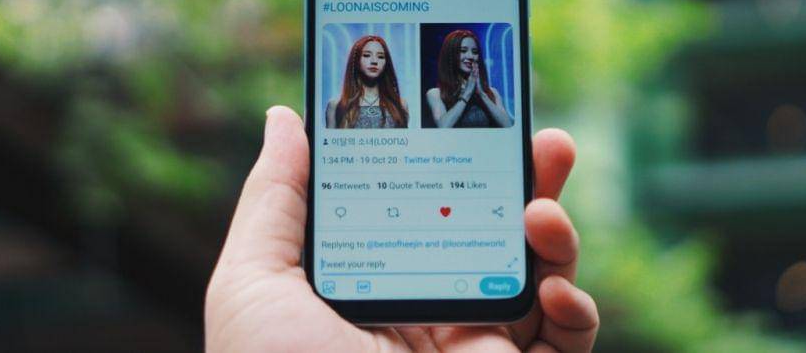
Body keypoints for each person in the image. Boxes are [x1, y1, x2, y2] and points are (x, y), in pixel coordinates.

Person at [205, 106, 599, 352]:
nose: (374, 61)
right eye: (368, 54)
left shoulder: (409, 105)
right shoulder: (349, 105)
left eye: (473, 51)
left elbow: (504, 122)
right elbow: (443, 125)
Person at [425, 29, 513, 128]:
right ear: (450, 54)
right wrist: (467, 93)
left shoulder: (492, 93)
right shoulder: (435, 94)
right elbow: (444, 126)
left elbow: (508, 126)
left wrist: (482, 95)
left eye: (475, 52)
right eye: (463, 51)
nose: (471, 56)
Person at [326, 35, 408, 129]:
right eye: (366, 55)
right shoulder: (336, 105)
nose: (374, 61)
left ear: (386, 63)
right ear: (356, 60)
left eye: (380, 56)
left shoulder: (401, 105)